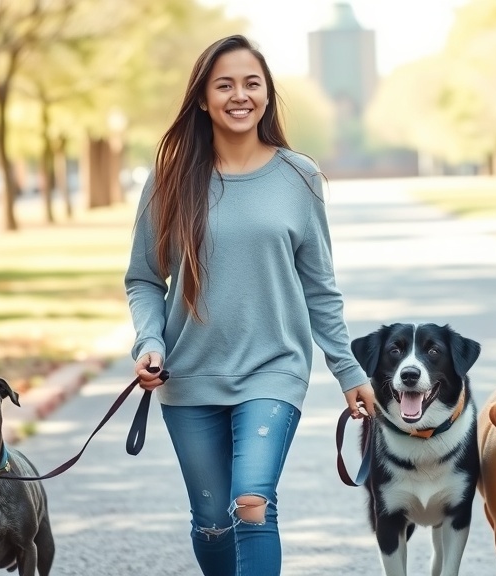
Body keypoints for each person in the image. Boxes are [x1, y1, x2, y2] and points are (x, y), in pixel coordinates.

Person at [124, 34, 376, 576]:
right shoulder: (169, 179)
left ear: (266, 94)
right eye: (225, 85)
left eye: (251, 83)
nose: (240, 95)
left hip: (273, 369)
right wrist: (149, 341)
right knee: (212, 521)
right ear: (202, 98)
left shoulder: (299, 176)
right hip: (188, 374)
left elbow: (320, 286)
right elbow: (143, 278)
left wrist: (348, 369)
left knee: (252, 502)